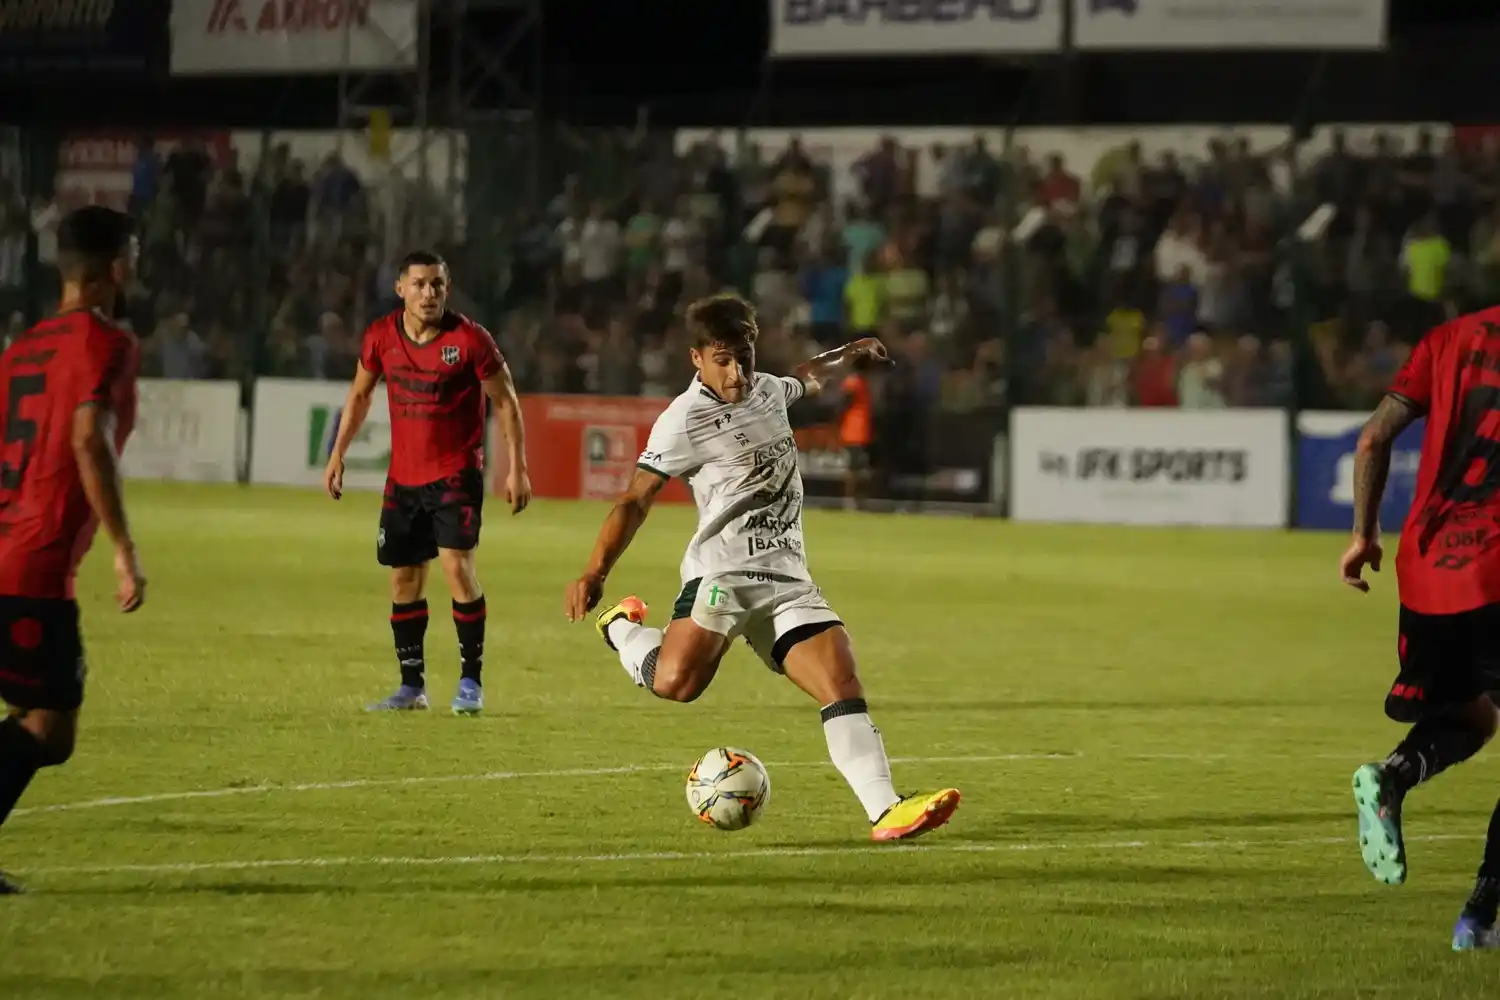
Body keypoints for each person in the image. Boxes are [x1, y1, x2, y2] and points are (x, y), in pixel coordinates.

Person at [564, 293, 960, 842]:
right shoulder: (683, 420)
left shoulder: (768, 390)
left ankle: (885, 809)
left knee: (840, 680)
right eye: (723, 360)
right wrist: (595, 572)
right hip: (722, 575)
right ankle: (625, 628)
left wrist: (853, 351)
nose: (738, 372)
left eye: (745, 356)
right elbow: (635, 499)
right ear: (697, 359)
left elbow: (807, 375)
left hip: (788, 577)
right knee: (678, 684)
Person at [1341, 306, 1500, 949]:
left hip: (1427, 570)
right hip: (1496, 566)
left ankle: (1393, 776)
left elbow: (1373, 439)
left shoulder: (1447, 338)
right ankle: (1480, 919)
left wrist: (1361, 535)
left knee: (1473, 717)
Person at [0, 206, 146, 894]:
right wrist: (124, 548)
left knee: (39, 715)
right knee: (51, 727)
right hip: (31, 565)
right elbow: (89, 438)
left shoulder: (19, 347)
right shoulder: (107, 343)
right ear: (117, 268)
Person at [324, 251, 532, 716]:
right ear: (401, 289)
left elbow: (506, 402)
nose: (429, 293)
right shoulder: (380, 336)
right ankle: (411, 687)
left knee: (458, 571)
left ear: (447, 288)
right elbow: (359, 395)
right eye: (419, 284)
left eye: (437, 284)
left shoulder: (470, 339)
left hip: (455, 475)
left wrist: (517, 467)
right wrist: (338, 453)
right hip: (403, 480)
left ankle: (471, 682)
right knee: (404, 580)